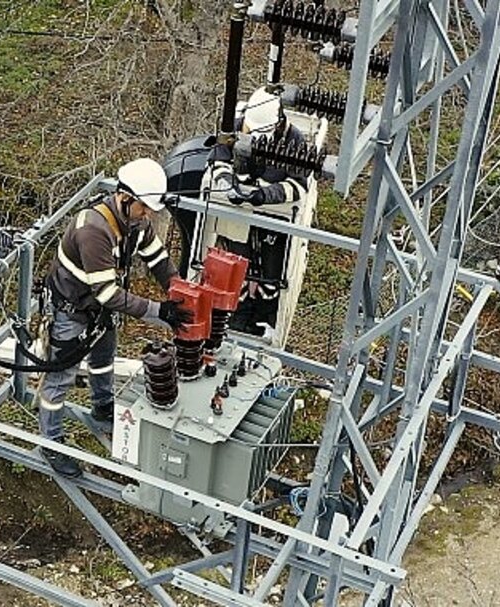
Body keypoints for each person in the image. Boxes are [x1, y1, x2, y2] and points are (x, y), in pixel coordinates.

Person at [38, 158, 193, 477]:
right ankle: (50, 443)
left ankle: (103, 406)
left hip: (98, 308)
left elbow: (158, 260)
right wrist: (159, 312)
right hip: (72, 309)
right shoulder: (94, 230)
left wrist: (179, 293)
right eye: (144, 207)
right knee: (60, 378)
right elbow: (107, 293)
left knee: (103, 358)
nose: (147, 214)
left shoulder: (135, 223)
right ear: (125, 197)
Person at [204, 87, 309, 338]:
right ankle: (236, 315)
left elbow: (298, 186)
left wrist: (264, 195)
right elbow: (218, 160)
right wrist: (228, 185)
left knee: (272, 269)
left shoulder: (294, 142)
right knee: (236, 262)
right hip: (238, 214)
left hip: (274, 217)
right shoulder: (236, 127)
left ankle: (264, 316)